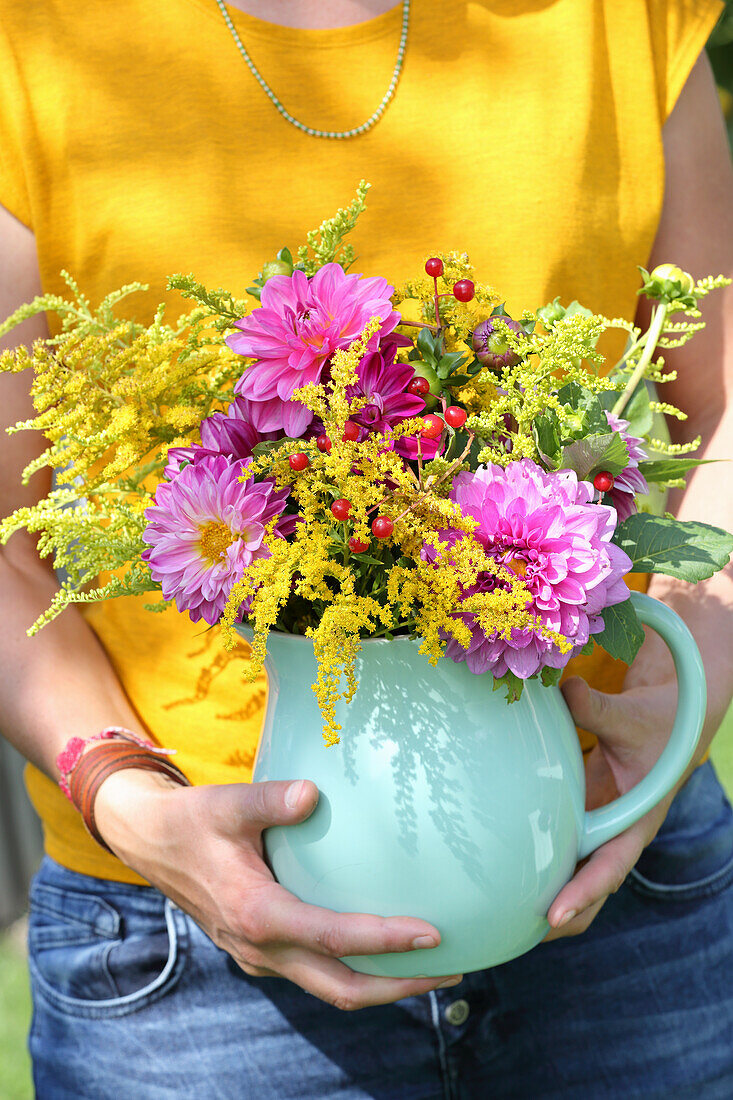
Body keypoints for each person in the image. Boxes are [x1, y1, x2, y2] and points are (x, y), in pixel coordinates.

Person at [1, 0, 732, 1095]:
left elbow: (716, 402)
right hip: (186, 971)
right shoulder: (31, 41)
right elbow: (12, 539)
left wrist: (693, 671)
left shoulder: (618, 15)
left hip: (619, 891)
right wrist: (120, 790)